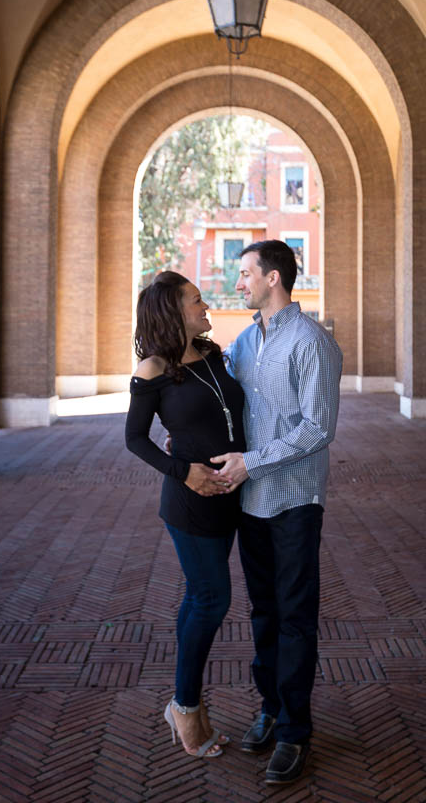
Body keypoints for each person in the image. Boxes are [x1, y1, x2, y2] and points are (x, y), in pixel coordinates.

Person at [211, 240, 343, 785]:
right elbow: (223, 403)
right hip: (251, 502)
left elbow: (318, 429)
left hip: (293, 502)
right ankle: (269, 708)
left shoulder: (313, 342)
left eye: (244, 274)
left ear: (271, 278)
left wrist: (253, 463)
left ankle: (294, 731)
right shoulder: (242, 342)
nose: (238, 283)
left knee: (294, 617)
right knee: (262, 612)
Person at [124, 271, 245, 759]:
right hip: (190, 503)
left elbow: (229, 415)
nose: (205, 304)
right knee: (212, 600)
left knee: (201, 599)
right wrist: (182, 471)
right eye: (196, 300)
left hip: (232, 496)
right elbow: (134, 439)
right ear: (173, 311)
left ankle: (186, 704)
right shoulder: (153, 368)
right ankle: (186, 707)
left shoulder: (214, 354)